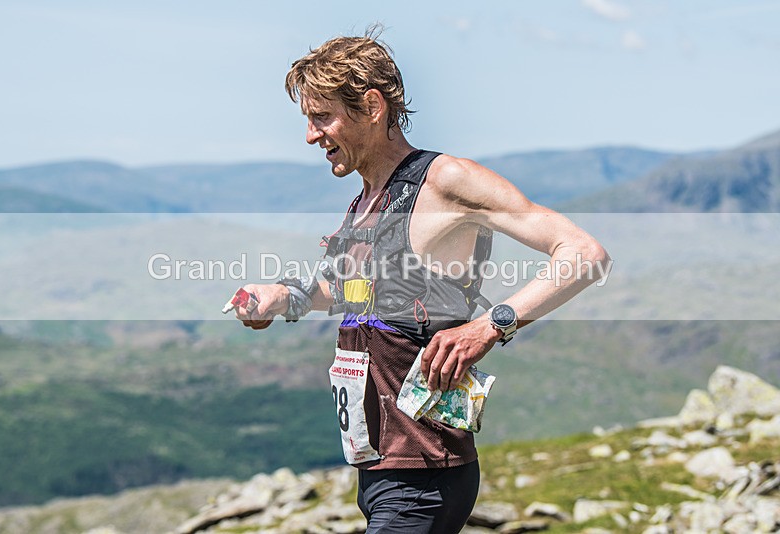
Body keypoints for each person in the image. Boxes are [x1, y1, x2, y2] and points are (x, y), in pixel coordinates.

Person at [233, 31, 610, 534]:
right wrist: (288, 297)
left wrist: (489, 326)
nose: (309, 135)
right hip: (382, 471)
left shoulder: (445, 181)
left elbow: (584, 254)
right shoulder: (369, 196)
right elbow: (362, 291)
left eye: (322, 117)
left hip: (427, 473)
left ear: (371, 106)